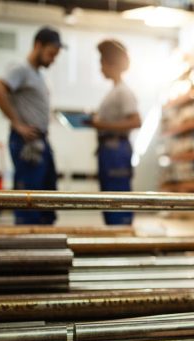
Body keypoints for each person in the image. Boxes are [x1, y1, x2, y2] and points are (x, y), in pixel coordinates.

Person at [0, 26, 64, 225]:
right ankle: (28, 245)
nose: (53, 59)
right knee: (29, 199)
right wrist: (17, 123)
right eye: (50, 54)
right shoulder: (21, 69)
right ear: (38, 45)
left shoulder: (39, 75)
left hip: (41, 141)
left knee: (47, 199)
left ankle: (46, 245)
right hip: (27, 143)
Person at [86, 39, 141, 225]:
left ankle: (122, 238)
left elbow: (135, 121)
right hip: (109, 151)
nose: (100, 67)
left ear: (110, 64)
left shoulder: (123, 92)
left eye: (101, 62)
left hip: (116, 150)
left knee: (118, 199)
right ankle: (115, 235)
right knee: (110, 199)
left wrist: (102, 125)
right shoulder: (114, 91)